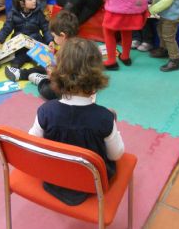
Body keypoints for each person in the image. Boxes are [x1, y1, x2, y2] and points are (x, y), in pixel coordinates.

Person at [28, 38, 124, 205]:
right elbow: (116, 154)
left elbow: (33, 142)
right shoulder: (104, 118)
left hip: (54, 178)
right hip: (92, 183)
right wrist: (113, 127)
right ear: (96, 76)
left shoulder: (45, 111)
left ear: (57, 74)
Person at [5, 10, 79, 100]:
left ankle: (41, 79)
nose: (54, 39)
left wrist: (51, 72)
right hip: (74, 81)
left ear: (63, 35)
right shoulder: (74, 45)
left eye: (54, 36)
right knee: (45, 64)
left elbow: (65, 77)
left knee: (47, 91)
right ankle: (21, 73)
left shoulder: (68, 52)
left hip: (70, 88)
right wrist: (53, 58)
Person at [0, 0, 54, 67]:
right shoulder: (13, 14)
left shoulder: (38, 13)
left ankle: (33, 60)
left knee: (43, 63)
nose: (34, 1)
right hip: (20, 46)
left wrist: (50, 40)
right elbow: (6, 29)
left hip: (35, 44)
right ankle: (21, 61)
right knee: (15, 63)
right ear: (22, 3)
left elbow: (45, 28)